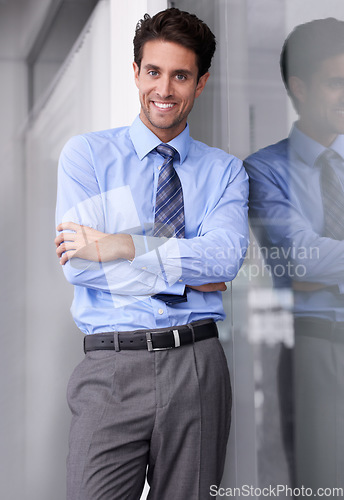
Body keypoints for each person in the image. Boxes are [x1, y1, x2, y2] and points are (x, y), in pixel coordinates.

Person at [55, 7, 249, 500]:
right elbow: (81, 267)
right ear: (136, 72)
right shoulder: (88, 157)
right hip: (112, 368)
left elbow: (225, 260)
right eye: (154, 72)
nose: (164, 89)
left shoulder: (225, 172)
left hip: (198, 368)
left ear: (200, 83)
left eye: (180, 75)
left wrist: (122, 246)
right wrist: (188, 272)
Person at [244, 18, 344, 491]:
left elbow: (319, 262)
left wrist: (328, 268)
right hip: (314, 346)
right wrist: (314, 267)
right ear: (299, 88)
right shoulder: (264, 170)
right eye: (336, 82)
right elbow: (301, 260)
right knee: (325, 486)